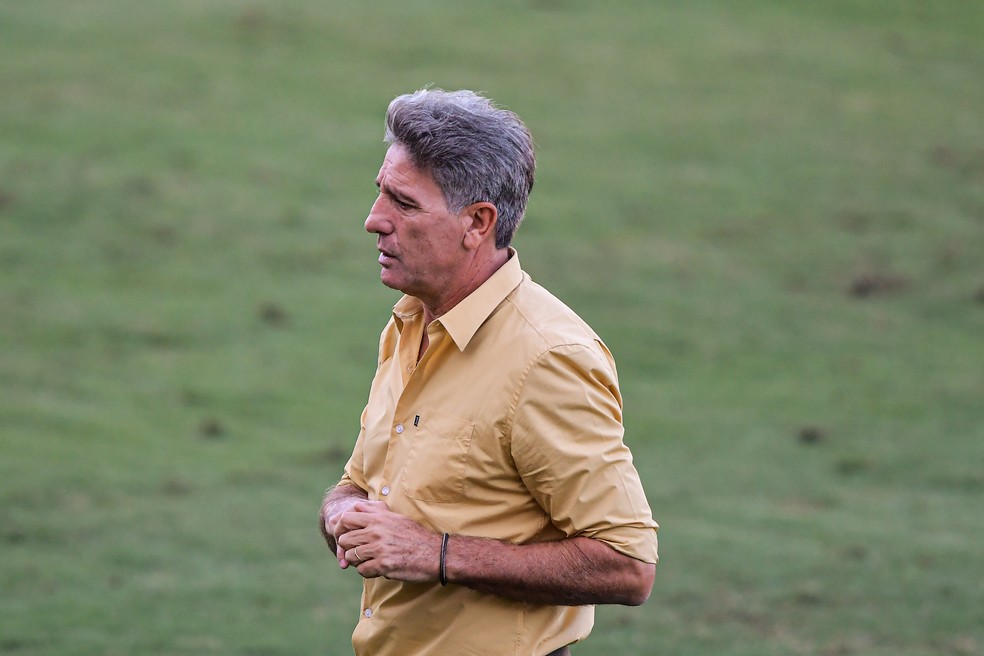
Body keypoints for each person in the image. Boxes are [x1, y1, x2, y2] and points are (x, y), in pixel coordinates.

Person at [319, 88, 659, 656]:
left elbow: (627, 566)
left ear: (477, 222)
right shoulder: (410, 324)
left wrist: (438, 555)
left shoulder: (547, 358)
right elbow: (361, 483)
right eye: (381, 192)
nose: (374, 220)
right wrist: (341, 510)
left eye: (404, 204)